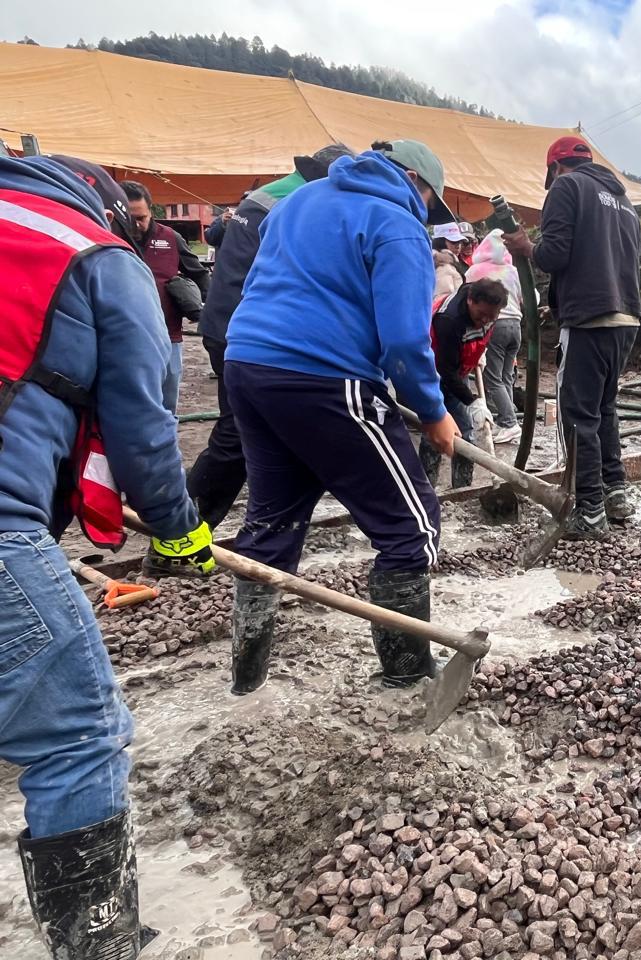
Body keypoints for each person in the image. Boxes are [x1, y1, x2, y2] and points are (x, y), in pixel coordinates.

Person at [0, 154, 214, 959]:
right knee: (79, 734)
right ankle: (100, 944)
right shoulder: (92, 254)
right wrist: (179, 533)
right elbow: (145, 430)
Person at [222, 139, 459, 695]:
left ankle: (245, 684)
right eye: (428, 197)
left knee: (269, 527)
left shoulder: (300, 201)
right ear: (414, 182)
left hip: (248, 366)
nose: (426, 209)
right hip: (325, 378)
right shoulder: (397, 224)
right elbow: (404, 340)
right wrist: (432, 411)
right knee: (411, 527)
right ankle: (406, 684)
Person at [185, 146, 353, 532]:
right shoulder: (296, 202)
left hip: (229, 321)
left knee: (257, 432)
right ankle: (182, 530)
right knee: (239, 435)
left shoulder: (271, 194)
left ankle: (266, 526)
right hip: (247, 328)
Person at [502, 135, 641, 540]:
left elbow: (555, 254)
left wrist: (528, 247)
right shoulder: (624, 203)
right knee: (605, 407)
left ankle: (591, 511)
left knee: (578, 414)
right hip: (626, 317)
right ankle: (615, 494)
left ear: (555, 168)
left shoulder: (568, 186)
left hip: (589, 316)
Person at [121, 180, 210, 414]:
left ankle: (166, 445)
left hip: (167, 336)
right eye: (130, 218)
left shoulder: (170, 238)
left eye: (142, 218)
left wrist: (206, 308)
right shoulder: (108, 238)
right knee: (128, 403)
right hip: (121, 337)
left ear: (151, 210)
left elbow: (200, 275)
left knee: (167, 405)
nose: (137, 225)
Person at [420, 278, 509, 488]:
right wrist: (472, 401)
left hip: (456, 367)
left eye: (491, 317)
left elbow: (480, 332)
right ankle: (427, 488)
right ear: (470, 301)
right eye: (481, 315)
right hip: (433, 371)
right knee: (440, 428)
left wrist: (479, 353)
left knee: (462, 428)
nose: (485, 321)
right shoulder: (450, 320)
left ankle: (461, 487)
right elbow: (447, 372)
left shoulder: (487, 310)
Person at [469, 229, 525, 445]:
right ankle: (507, 421)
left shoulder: (478, 270)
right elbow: (529, 297)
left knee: (493, 378)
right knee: (506, 376)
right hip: (516, 326)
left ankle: (510, 423)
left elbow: (466, 295)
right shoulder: (513, 270)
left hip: (496, 324)